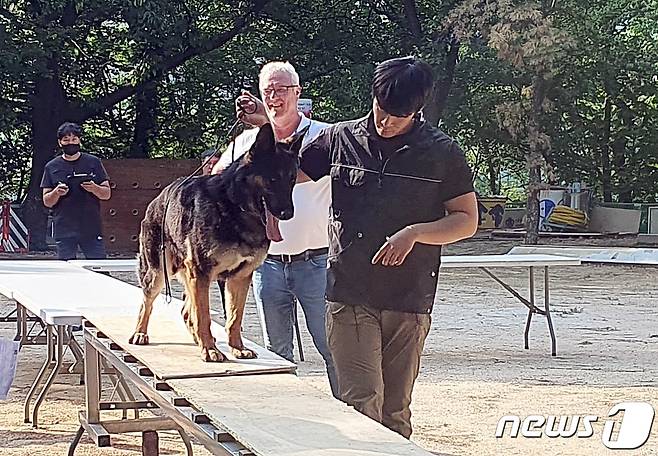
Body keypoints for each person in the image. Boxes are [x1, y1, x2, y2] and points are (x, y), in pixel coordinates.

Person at [297, 56, 479, 438]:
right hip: (349, 291)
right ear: (373, 96)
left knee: (395, 412)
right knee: (360, 403)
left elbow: (466, 220)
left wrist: (414, 233)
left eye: (398, 116)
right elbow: (284, 172)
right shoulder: (338, 139)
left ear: (418, 110)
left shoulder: (443, 152)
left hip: (409, 296)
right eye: (381, 110)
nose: (386, 122)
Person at [213, 62, 339, 398]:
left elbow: (293, 160)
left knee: (334, 350)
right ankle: (289, 426)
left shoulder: (323, 137)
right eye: (268, 89)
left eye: (282, 89)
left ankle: (358, 419)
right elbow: (217, 184)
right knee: (276, 354)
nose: (274, 96)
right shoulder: (244, 143)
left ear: (298, 93)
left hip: (317, 262)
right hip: (264, 265)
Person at [41, 122, 112, 260]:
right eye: (66, 140)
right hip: (64, 227)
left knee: (100, 268)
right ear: (60, 142)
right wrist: (56, 192)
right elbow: (46, 201)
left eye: (74, 139)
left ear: (79, 140)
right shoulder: (51, 166)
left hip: (91, 226)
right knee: (67, 271)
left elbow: (107, 194)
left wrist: (94, 188)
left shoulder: (93, 162)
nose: (70, 143)